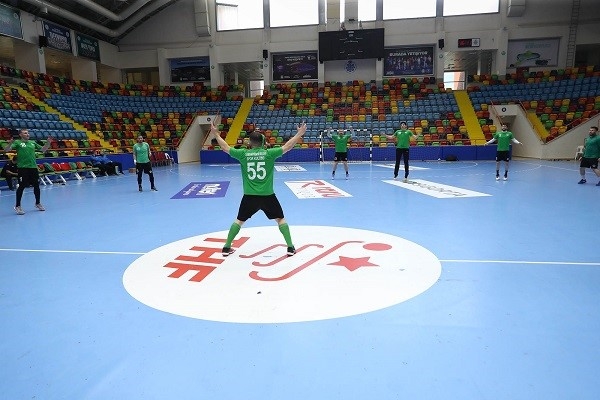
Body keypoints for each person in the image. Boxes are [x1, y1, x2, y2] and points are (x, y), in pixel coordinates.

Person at [209, 119, 307, 257]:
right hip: (268, 196)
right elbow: (287, 147)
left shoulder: (243, 154)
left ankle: (226, 247)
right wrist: (299, 134)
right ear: (263, 143)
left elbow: (225, 148)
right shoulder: (269, 154)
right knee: (280, 219)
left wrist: (217, 135)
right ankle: (290, 247)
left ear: (250, 143)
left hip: (249, 196)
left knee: (239, 220)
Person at [2, 129, 52, 215]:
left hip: (33, 167)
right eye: (25, 133)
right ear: (20, 135)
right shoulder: (17, 142)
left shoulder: (32, 143)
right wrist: (10, 143)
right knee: (22, 186)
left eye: (28, 133)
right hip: (23, 168)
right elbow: (6, 150)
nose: (28, 134)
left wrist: (48, 143)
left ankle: (38, 203)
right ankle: (18, 206)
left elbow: (43, 150)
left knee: (36, 186)